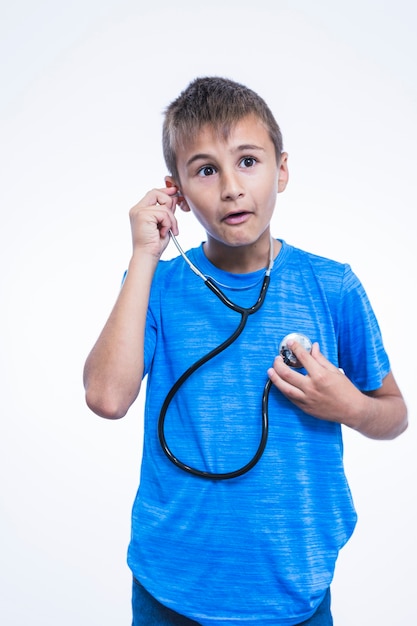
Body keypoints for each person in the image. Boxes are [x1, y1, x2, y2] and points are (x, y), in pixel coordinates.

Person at [83, 76, 408, 625]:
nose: (232, 187)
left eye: (249, 162)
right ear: (178, 193)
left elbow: (394, 415)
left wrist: (348, 406)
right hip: (172, 588)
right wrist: (143, 254)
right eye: (206, 170)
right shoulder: (156, 287)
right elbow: (107, 397)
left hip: (293, 592)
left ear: (282, 169)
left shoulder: (332, 287)